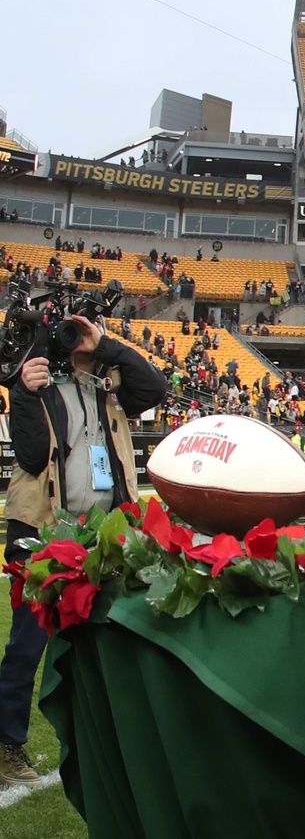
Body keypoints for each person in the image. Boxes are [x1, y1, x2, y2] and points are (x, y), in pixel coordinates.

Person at [1, 314, 166, 785]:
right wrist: (24, 393)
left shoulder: (105, 383)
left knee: (105, 636)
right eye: (70, 337)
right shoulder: (35, 382)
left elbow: (152, 390)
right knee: (27, 643)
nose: (75, 344)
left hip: (101, 530)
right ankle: (6, 744)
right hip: (44, 527)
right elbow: (32, 456)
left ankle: (104, 739)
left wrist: (106, 345)